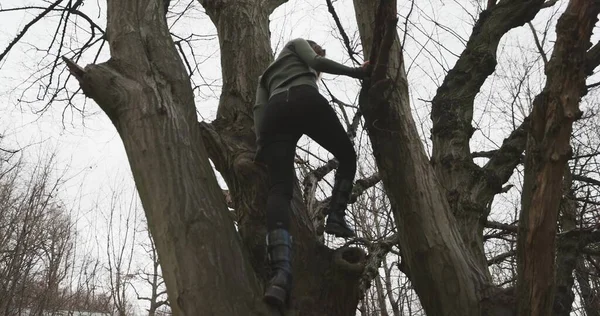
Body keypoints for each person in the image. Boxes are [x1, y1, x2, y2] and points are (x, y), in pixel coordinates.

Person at [253, 38, 370, 307]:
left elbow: (259, 107)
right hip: (304, 100)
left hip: (274, 114)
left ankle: (280, 276)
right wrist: (357, 71)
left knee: (279, 189)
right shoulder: (298, 44)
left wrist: (262, 143)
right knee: (346, 156)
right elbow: (317, 62)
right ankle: (336, 218)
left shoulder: (266, 75)